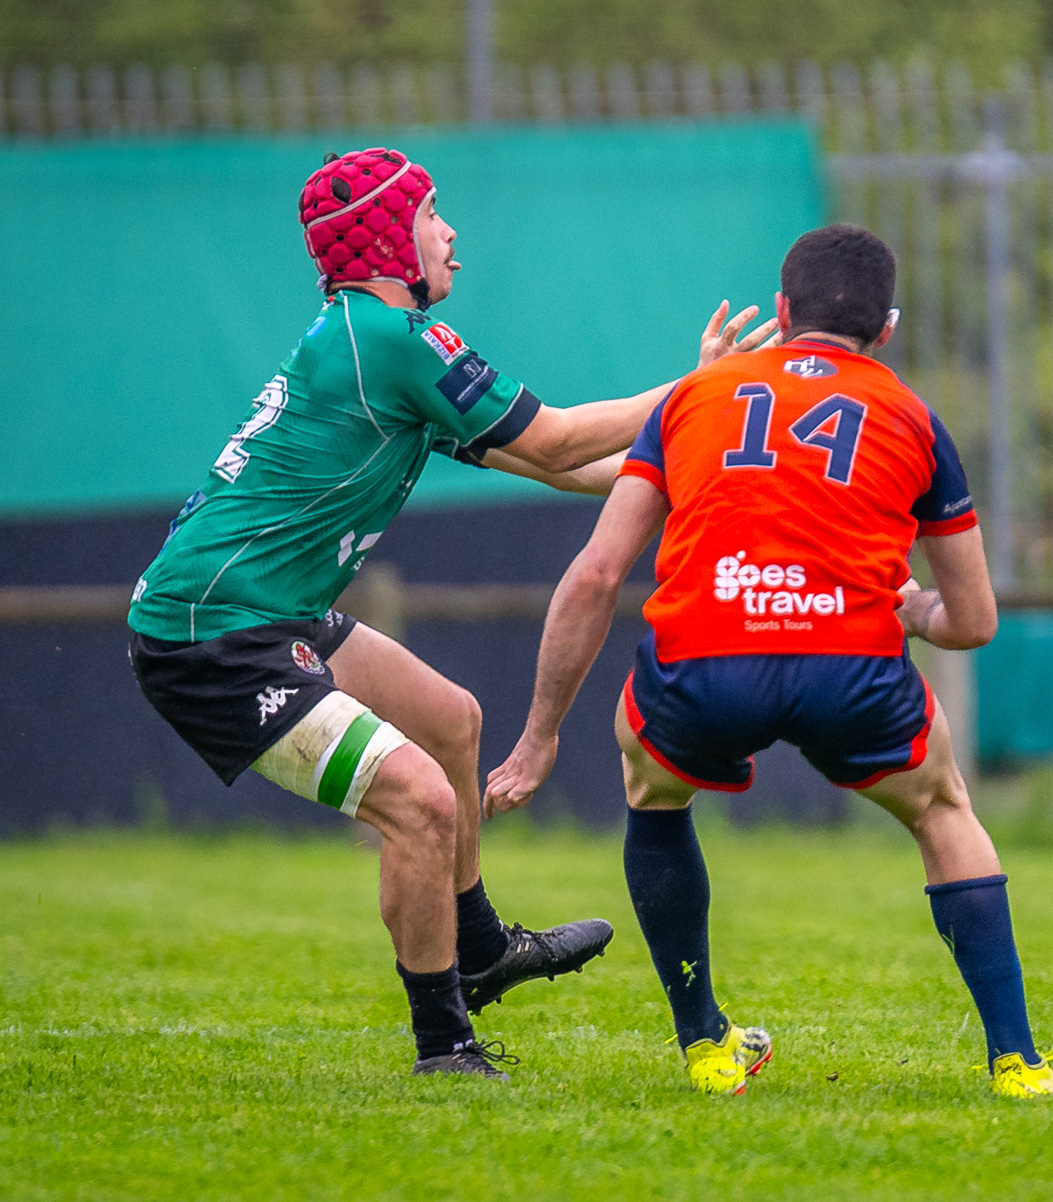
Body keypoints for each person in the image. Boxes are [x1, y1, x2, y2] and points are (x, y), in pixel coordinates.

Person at [126, 147, 776, 1080]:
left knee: (451, 720)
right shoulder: (391, 339)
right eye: (433, 213)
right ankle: (446, 1047)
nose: (451, 232)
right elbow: (555, 437)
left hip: (267, 613)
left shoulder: (374, 346)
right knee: (420, 803)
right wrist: (702, 390)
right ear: (389, 239)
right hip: (210, 632)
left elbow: (570, 469)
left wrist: (690, 462)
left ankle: (479, 949)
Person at [484, 223, 1053, 1099]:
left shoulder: (693, 398)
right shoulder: (914, 419)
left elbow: (595, 576)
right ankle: (1017, 1063)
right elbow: (974, 622)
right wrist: (915, 609)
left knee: (651, 783)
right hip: (850, 666)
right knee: (944, 809)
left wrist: (539, 737)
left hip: (706, 662)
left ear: (781, 307)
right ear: (887, 330)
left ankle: (705, 1045)